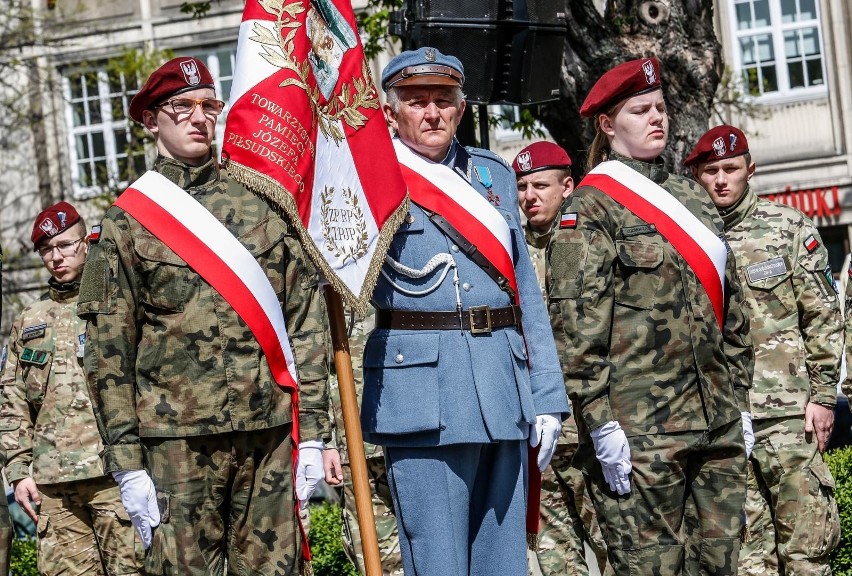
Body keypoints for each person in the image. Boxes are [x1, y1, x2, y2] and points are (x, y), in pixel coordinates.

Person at [76, 57, 335, 575]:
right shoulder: (127, 222)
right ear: (151, 120)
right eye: (182, 107)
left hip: (267, 437)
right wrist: (126, 464)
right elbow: (109, 354)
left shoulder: (260, 205)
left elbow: (305, 318)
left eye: (209, 106)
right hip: (177, 445)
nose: (199, 118)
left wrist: (311, 433)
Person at [360, 47, 570, 576]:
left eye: (443, 100)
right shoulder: (368, 180)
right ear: (391, 112)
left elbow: (526, 295)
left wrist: (547, 396)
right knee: (438, 564)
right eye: (415, 101)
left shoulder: (494, 177)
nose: (431, 113)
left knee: (504, 564)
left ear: (460, 107)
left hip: (503, 389)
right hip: (421, 399)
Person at [546, 57, 754, 576]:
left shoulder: (694, 199)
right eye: (640, 110)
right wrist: (599, 423)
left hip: (717, 424)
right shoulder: (591, 207)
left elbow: (734, 311)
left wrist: (741, 402)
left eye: (660, 107)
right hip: (641, 434)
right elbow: (575, 326)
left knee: (721, 566)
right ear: (608, 125)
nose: (656, 118)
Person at [686, 124, 842, 576]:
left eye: (730, 169)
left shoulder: (788, 228)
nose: (720, 179)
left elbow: (823, 316)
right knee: (748, 561)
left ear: (749, 170)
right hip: (728, 425)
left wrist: (824, 397)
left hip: (790, 418)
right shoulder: (691, 243)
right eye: (710, 170)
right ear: (696, 175)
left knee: (807, 552)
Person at [0, 202, 144, 575]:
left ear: (85, 243)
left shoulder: (116, 303)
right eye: (47, 249)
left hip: (115, 474)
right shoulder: (29, 319)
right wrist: (18, 470)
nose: (56, 256)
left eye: (65, 245)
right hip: (53, 485)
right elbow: (11, 397)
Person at [511, 142, 608, 576]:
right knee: (556, 560)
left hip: (593, 429)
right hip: (540, 436)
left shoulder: (595, 243)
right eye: (522, 186)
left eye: (540, 185)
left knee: (617, 549)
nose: (529, 195)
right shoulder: (507, 254)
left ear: (568, 186)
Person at [328, 307, 403, 575]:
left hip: (404, 429)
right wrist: (325, 441)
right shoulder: (332, 275)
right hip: (352, 435)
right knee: (367, 549)